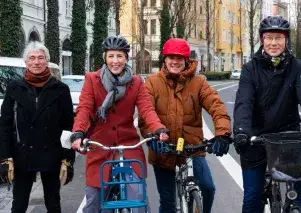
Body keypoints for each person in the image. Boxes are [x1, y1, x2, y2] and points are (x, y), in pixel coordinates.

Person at [70, 35, 169, 213]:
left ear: (126, 58)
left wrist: (158, 128)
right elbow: (84, 108)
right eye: (111, 56)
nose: (115, 61)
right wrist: (78, 132)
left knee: (138, 200)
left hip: (128, 146)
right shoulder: (93, 80)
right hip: (101, 147)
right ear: (105, 58)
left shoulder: (136, 82)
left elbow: (146, 109)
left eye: (119, 56)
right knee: (93, 201)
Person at [233, 16, 301, 213]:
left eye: (279, 38)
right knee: (252, 198)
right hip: (256, 138)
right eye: (269, 37)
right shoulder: (250, 69)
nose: (274, 43)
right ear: (262, 39)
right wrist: (241, 131)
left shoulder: (296, 67)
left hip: (288, 137)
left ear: (286, 40)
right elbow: (243, 103)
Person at [138, 38, 232, 213]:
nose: (175, 61)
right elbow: (146, 112)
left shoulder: (199, 83)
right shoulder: (152, 82)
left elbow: (216, 106)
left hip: (192, 147)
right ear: (164, 59)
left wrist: (222, 133)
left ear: (186, 60)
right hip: (163, 147)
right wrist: (153, 135)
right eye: (171, 57)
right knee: (167, 202)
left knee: (208, 188)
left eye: (180, 58)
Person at [0, 41, 75, 213]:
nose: (36, 62)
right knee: (18, 205)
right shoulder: (14, 88)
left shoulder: (61, 90)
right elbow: (4, 125)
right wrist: (5, 158)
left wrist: (68, 159)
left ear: (47, 61)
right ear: (26, 62)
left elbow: (68, 127)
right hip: (22, 154)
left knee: (53, 203)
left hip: (52, 153)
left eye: (41, 58)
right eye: (32, 58)